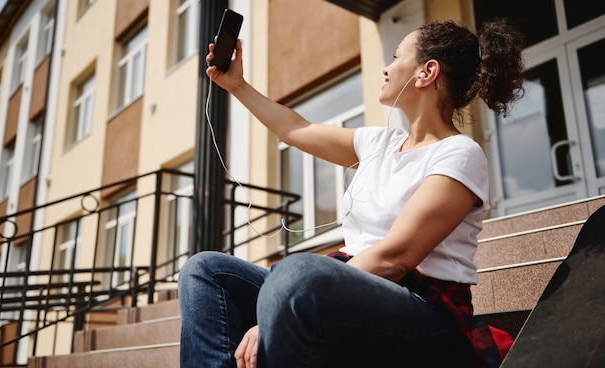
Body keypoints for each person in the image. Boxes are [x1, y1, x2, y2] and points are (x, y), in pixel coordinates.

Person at [178, 19, 524, 368]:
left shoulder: (459, 154)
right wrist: (236, 84)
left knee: (295, 274)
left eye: (395, 57)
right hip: (337, 289)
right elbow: (296, 128)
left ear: (426, 72)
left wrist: (278, 304)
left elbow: (397, 257)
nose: (385, 69)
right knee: (205, 270)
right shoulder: (379, 142)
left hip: (420, 312)